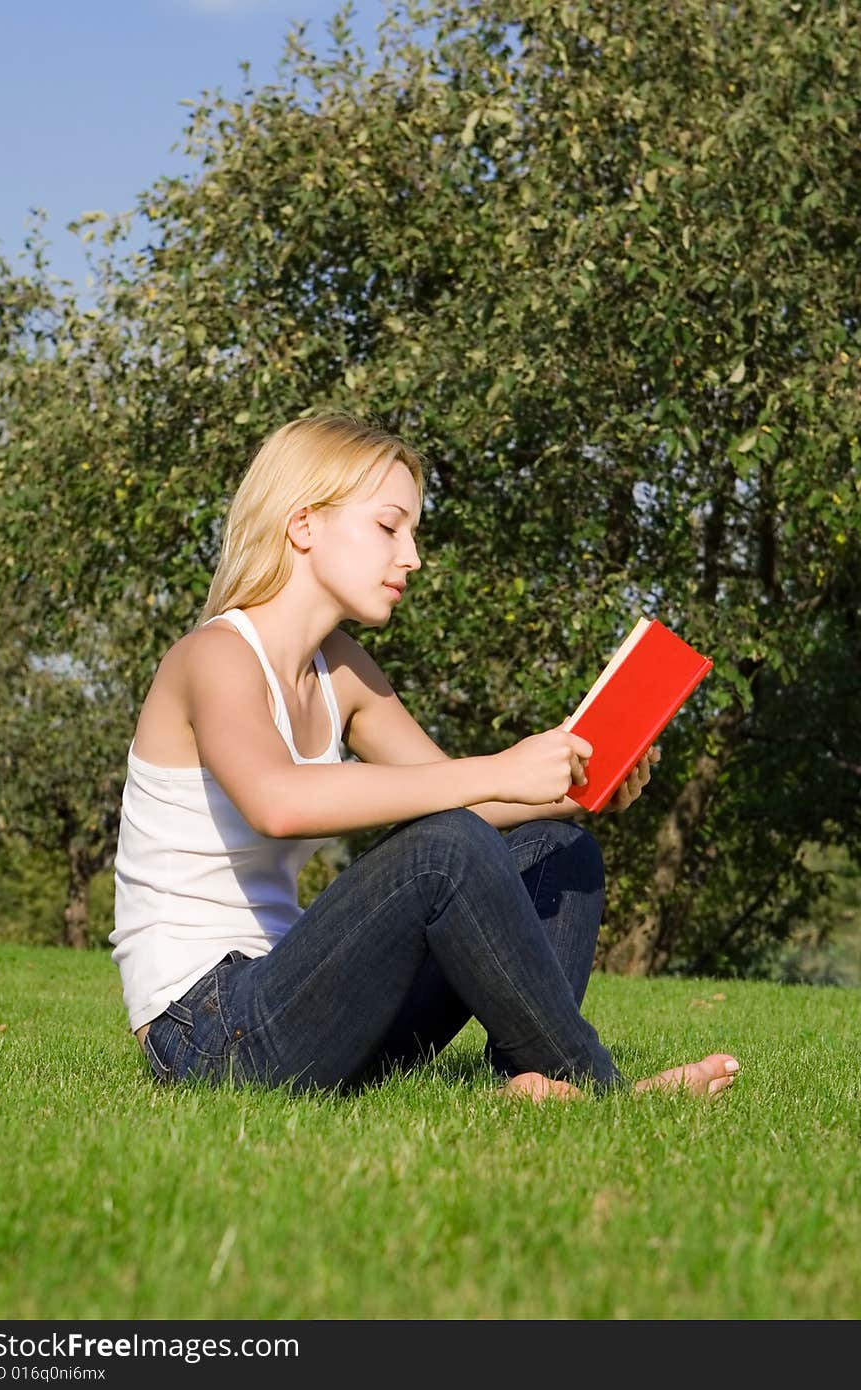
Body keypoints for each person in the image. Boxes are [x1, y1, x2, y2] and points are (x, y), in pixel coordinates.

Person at [110, 410, 740, 1103]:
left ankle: (532, 1085)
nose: (410, 556)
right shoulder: (215, 656)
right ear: (304, 525)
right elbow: (278, 802)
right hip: (209, 1031)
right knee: (444, 847)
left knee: (558, 850)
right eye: (388, 527)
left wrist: (588, 782)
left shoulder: (340, 669)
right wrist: (502, 767)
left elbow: (465, 801)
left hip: (307, 1009)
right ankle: (597, 1090)